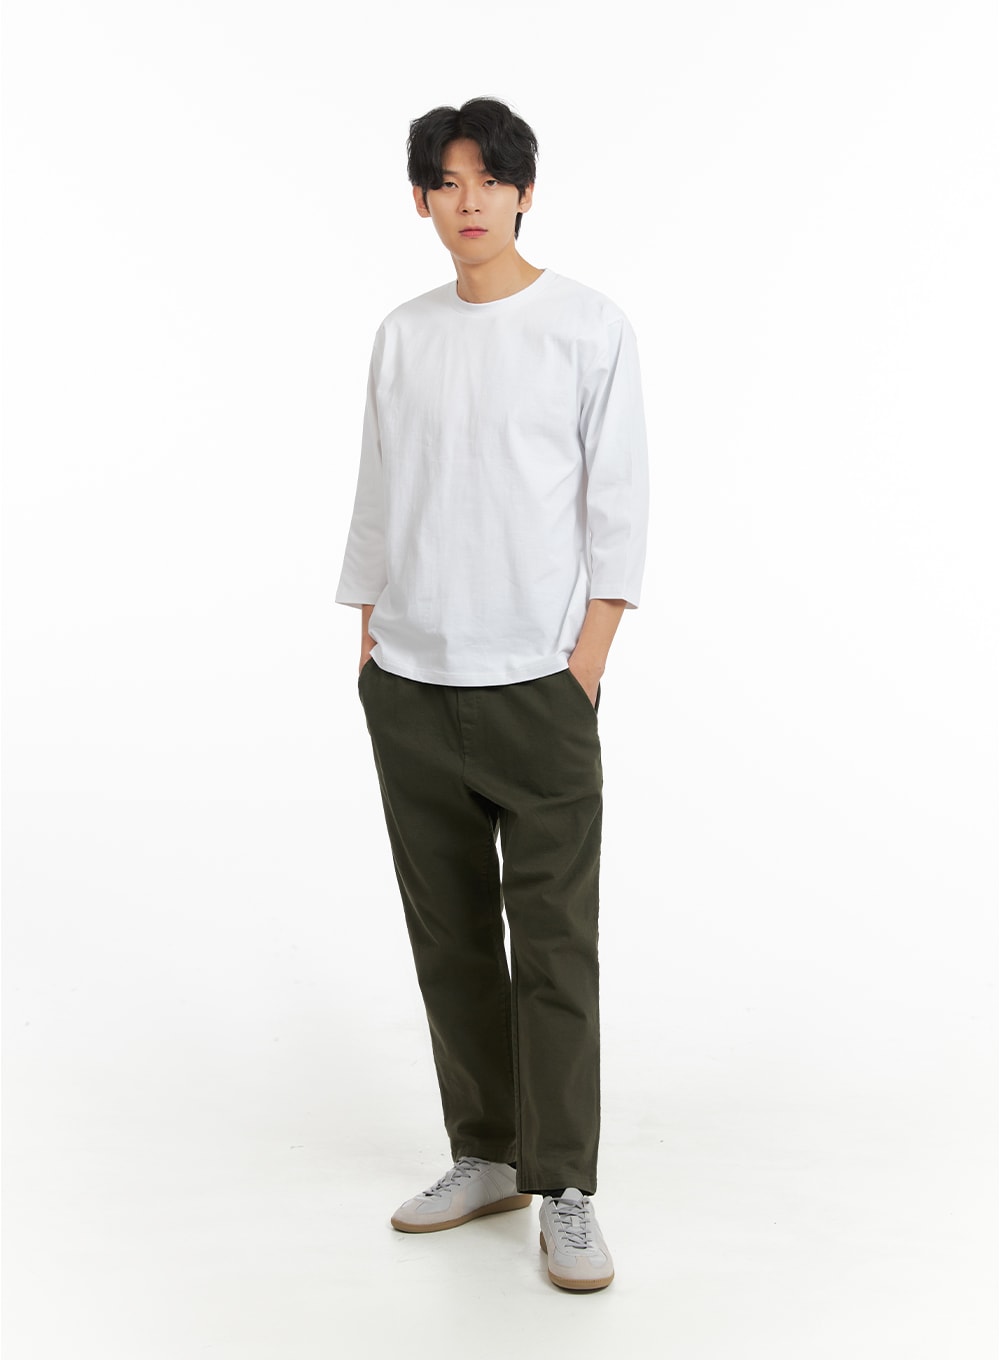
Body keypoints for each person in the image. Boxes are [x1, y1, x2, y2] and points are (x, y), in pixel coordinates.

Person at [336, 96, 649, 1292]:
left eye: (489, 180)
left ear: (524, 192)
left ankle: (564, 1183)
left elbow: (618, 501)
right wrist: (370, 636)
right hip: (412, 682)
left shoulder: (587, 326)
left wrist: (587, 661)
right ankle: (486, 1153)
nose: (468, 202)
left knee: (554, 944)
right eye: (447, 182)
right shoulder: (403, 333)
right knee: (451, 935)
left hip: (537, 685)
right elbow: (379, 488)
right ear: (421, 198)